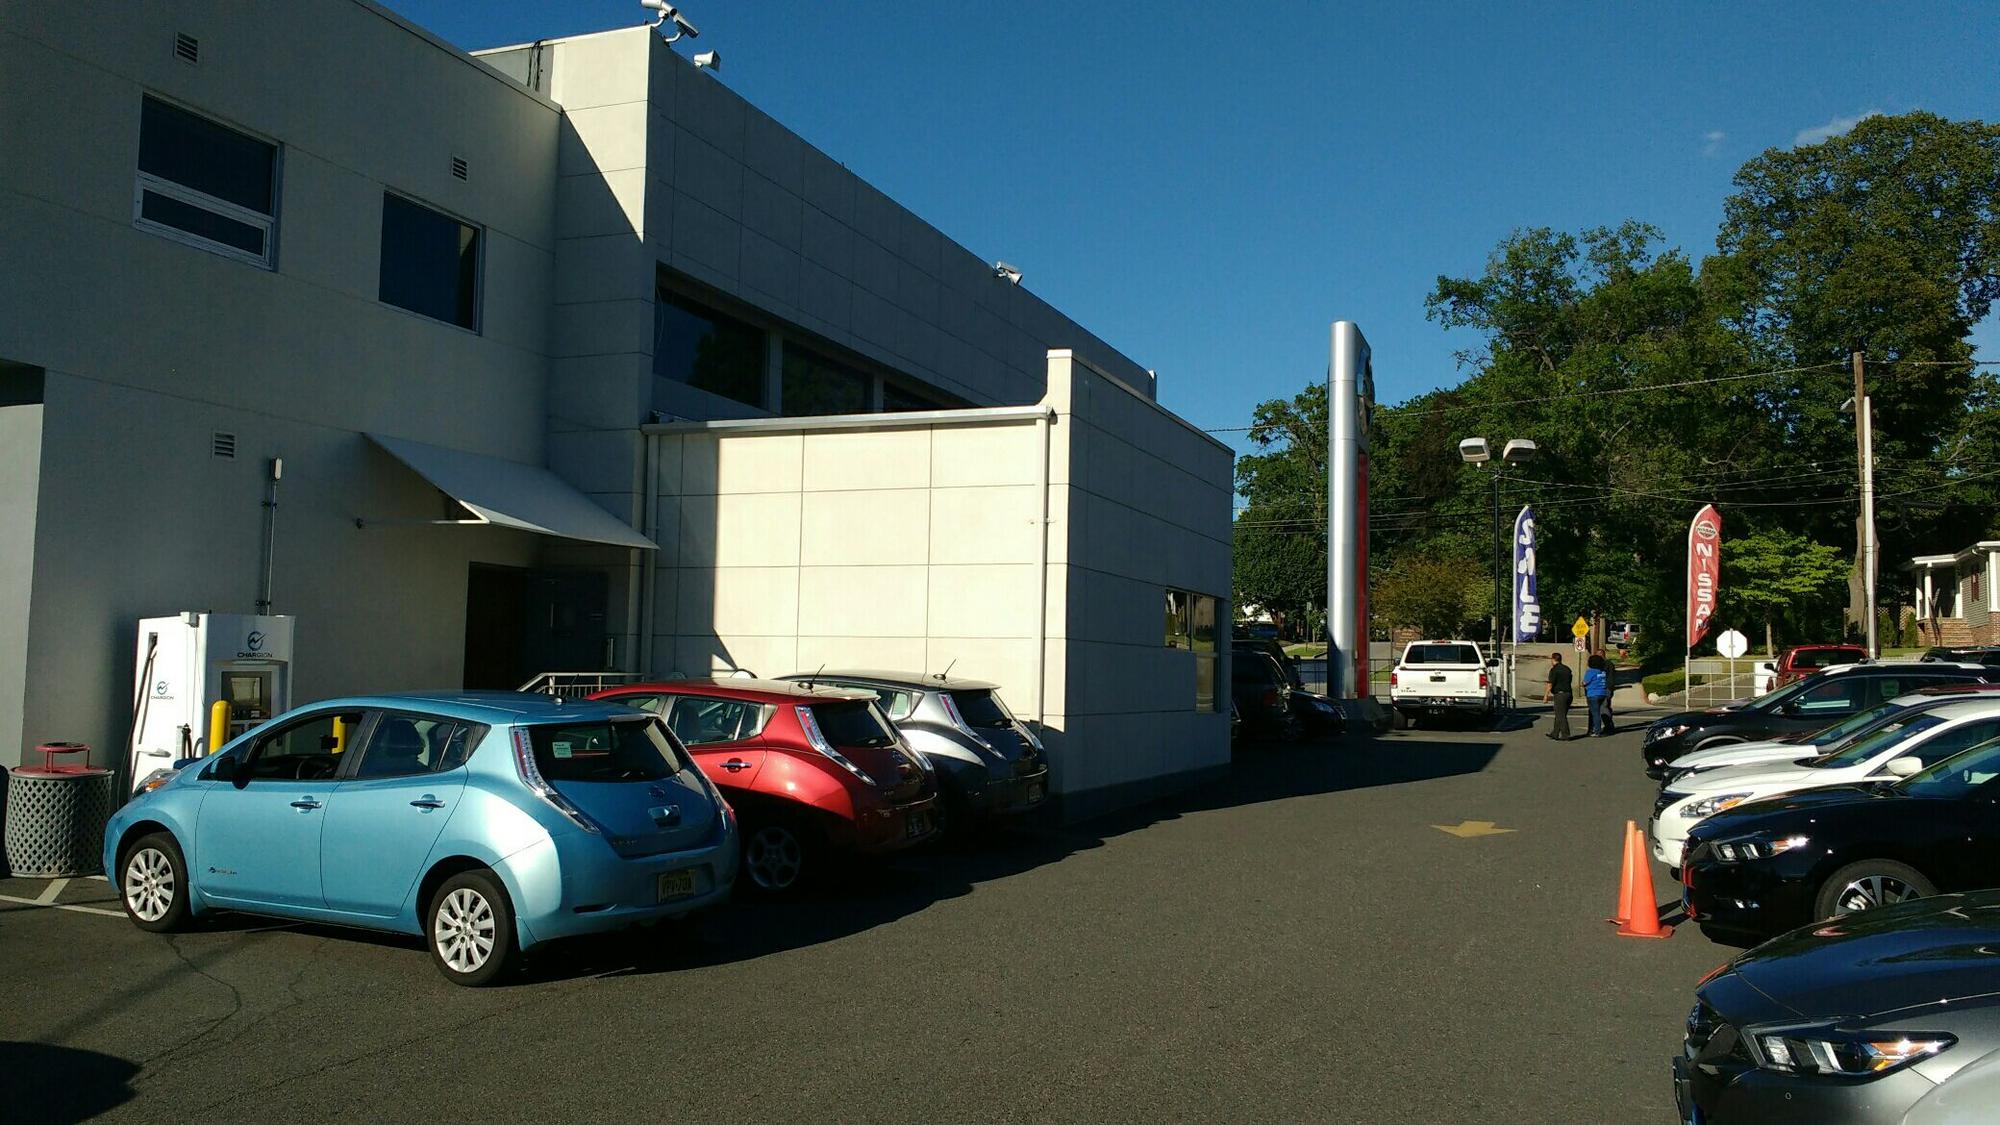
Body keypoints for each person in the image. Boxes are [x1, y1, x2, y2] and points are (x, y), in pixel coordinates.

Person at [1543, 651, 1574, 740]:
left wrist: (1546, 696)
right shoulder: (1567, 669)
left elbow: (1550, 684)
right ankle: (1555, 733)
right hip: (1568, 693)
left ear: (1553, 659)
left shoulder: (1554, 670)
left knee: (1561, 715)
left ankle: (1566, 734)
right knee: (1560, 714)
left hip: (1560, 694)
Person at [1583, 653, 1611, 736]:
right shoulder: (1602, 672)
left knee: (1595, 713)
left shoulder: (1590, 672)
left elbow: (1585, 682)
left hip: (1593, 694)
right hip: (1602, 693)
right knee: (1598, 712)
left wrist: (1583, 684)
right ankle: (1595, 730)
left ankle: (1596, 731)